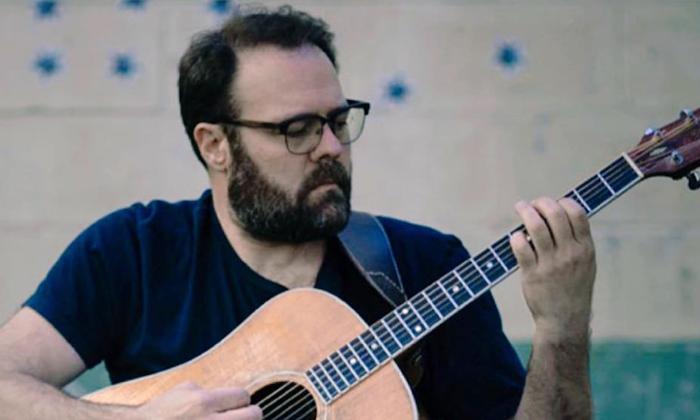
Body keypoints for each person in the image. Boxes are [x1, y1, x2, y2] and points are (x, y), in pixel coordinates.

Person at [0, 5, 596, 420]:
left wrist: (562, 329)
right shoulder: (133, 251)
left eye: (338, 121)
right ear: (215, 145)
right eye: (298, 129)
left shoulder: (423, 265)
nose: (332, 147)